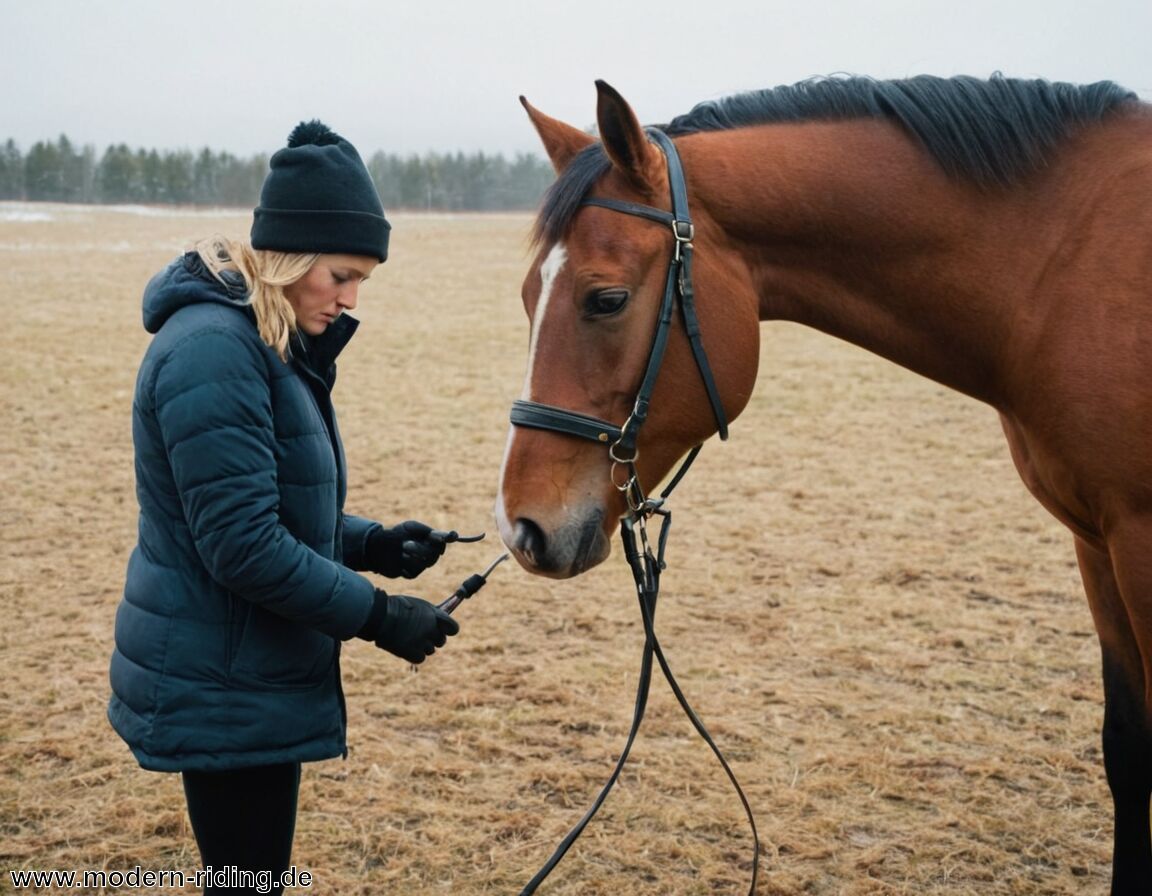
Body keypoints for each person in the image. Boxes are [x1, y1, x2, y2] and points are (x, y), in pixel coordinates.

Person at [108, 120, 461, 894]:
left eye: (363, 280)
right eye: (341, 275)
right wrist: (379, 615)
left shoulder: (263, 342)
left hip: (247, 669)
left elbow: (266, 507)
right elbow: (242, 545)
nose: (351, 298)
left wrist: (373, 544)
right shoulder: (213, 349)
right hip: (222, 675)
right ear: (292, 256)